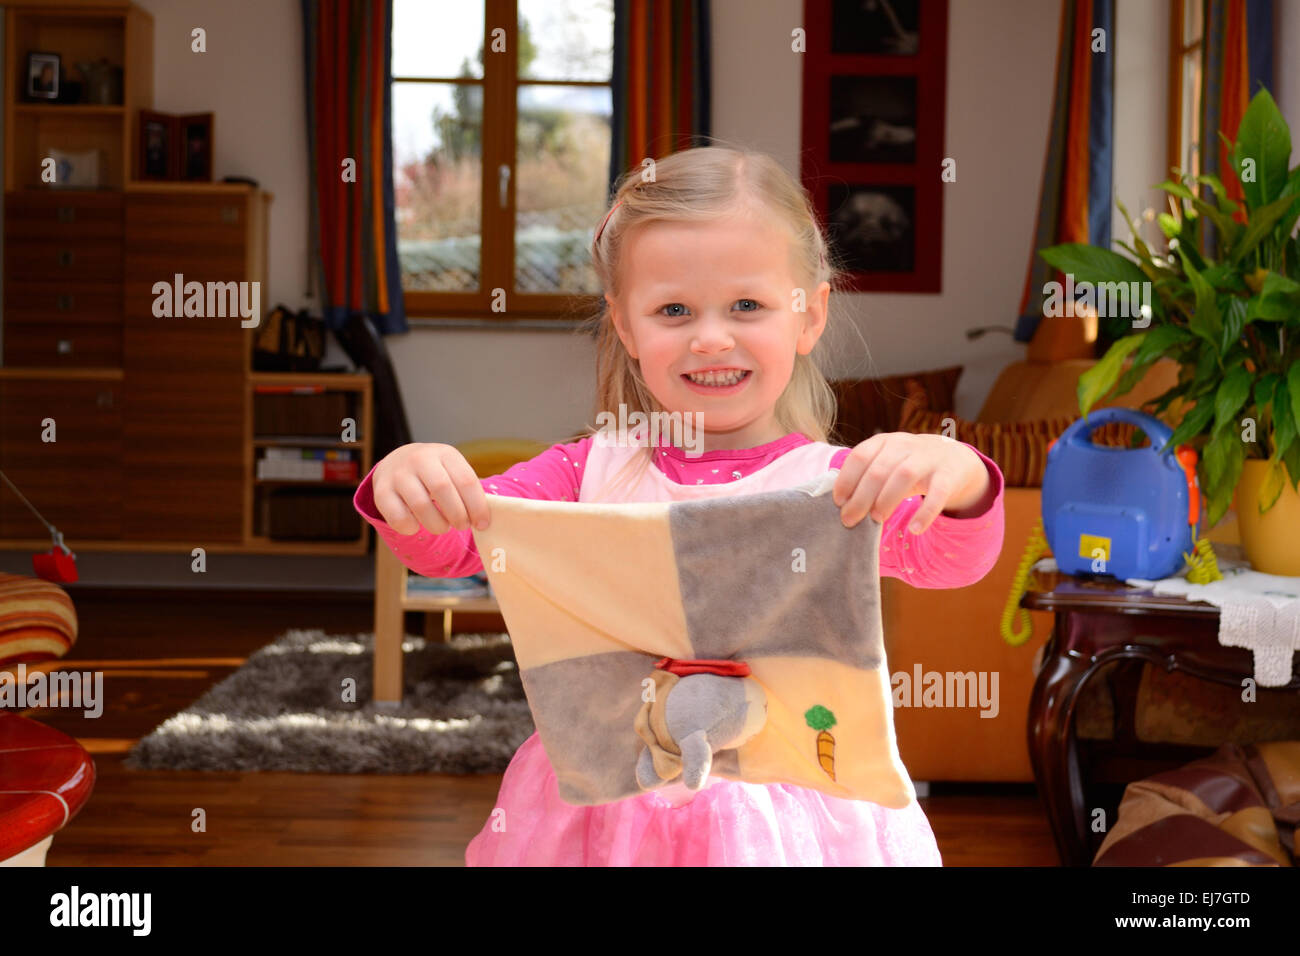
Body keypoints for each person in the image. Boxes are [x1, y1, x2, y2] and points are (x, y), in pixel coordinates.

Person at [353, 145, 1005, 865]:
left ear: (809, 315)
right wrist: (412, 480)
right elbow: (456, 547)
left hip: (795, 815)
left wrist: (961, 475)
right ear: (626, 327)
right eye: (673, 310)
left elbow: (953, 561)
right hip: (609, 805)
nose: (710, 337)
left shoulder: (841, 486)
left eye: (747, 306)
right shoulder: (585, 470)